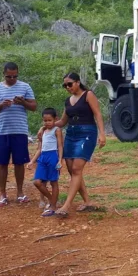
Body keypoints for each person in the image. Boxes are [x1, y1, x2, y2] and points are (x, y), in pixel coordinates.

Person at [53, 72, 106, 217]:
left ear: (77, 82)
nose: (67, 87)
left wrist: (102, 133)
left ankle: (66, 205)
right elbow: (63, 121)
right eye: (65, 85)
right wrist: (48, 125)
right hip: (71, 133)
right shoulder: (67, 101)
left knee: (77, 168)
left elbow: (98, 114)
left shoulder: (88, 95)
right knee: (72, 169)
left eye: (70, 84)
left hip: (87, 133)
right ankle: (87, 202)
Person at [0, 62, 37, 206]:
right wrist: (1, 105)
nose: (12, 79)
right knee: (2, 163)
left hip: (20, 130)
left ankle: (20, 193)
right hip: (2, 131)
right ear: (4, 74)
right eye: (9, 76)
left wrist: (23, 102)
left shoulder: (25, 86)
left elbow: (33, 106)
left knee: (19, 163)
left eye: (15, 76)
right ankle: (2, 194)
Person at [28, 108, 64, 217]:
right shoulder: (43, 131)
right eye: (45, 120)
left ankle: (52, 207)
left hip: (53, 156)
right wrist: (32, 161)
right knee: (37, 182)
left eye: (50, 120)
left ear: (55, 119)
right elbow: (40, 148)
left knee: (53, 182)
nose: (47, 123)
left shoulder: (57, 130)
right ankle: (52, 200)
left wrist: (60, 160)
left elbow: (60, 146)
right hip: (43, 157)